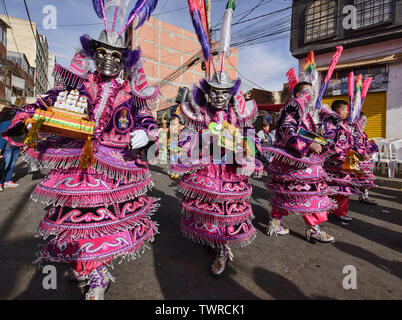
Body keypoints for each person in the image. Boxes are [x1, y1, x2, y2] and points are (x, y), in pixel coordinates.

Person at [2, 2, 160, 300]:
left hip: (112, 169)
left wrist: (146, 132)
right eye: (102, 53)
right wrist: (26, 119)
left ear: (124, 59)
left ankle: (97, 274)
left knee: (102, 221)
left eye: (116, 55)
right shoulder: (77, 85)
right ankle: (86, 265)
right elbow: (46, 103)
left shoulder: (129, 93)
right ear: (93, 54)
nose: (109, 60)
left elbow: (146, 118)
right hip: (77, 167)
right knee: (76, 221)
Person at [170, 71, 263, 275]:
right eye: (215, 92)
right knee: (208, 210)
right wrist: (198, 143)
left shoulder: (238, 114)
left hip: (231, 170)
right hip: (208, 168)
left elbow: (251, 137)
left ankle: (222, 249)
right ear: (208, 93)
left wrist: (249, 157)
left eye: (224, 93)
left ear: (231, 94)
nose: (219, 97)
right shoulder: (201, 113)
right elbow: (187, 134)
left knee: (226, 213)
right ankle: (211, 239)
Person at [264, 81, 335, 243]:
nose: (312, 96)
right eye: (308, 92)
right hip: (297, 160)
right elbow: (287, 130)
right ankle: (313, 228)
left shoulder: (304, 111)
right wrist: (310, 143)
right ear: (298, 94)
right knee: (308, 193)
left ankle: (275, 223)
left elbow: (300, 131)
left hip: (293, 161)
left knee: (286, 192)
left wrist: (319, 139)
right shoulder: (294, 105)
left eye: (313, 92)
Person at [320, 100, 361, 225]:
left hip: (342, 161)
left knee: (335, 188)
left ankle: (333, 210)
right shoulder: (332, 124)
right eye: (346, 110)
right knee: (341, 188)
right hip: (338, 163)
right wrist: (342, 156)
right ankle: (338, 212)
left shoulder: (340, 124)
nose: (347, 112)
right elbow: (329, 142)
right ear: (339, 110)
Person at [0, 107, 20, 191]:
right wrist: (0, 148)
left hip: (15, 146)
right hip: (8, 146)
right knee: (5, 165)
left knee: (12, 164)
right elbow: (2, 136)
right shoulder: (6, 123)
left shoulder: (18, 124)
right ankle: (0, 182)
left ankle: (8, 180)